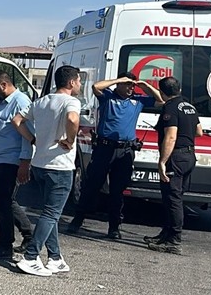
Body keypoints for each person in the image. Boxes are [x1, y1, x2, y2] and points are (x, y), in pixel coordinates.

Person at [68, 72, 162, 239]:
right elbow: (96, 86)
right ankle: (78, 220)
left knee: (117, 191)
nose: (130, 88)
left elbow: (161, 100)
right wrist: (119, 80)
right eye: (127, 85)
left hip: (125, 150)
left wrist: (144, 86)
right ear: (119, 85)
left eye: (132, 85)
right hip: (104, 148)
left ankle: (114, 227)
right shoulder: (108, 96)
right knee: (91, 186)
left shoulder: (138, 100)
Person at [12, 65, 82, 277]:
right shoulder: (72, 101)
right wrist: (70, 140)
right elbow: (72, 119)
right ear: (71, 82)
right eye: (79, 81)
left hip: (40, 163)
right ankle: (31, 256)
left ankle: (55, 257)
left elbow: (17, 120)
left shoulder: (41, 102)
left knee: (49, 213)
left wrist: (33, 139)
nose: (79, 85)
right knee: (52, 213)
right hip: (60, 165)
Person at [144, 76, 202, 254]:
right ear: (180, 90)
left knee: (173, 199)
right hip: (189, 155)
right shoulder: (189, 106)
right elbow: (199, 131)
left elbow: (171, 136)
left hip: (175, 157)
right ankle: (166, 234)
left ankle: (174, 240)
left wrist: (162, 161)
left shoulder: (170, 108)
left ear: (162, 92)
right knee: (173, 197)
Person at [0, 70, 35, 260]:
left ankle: (5, 245)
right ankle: (28, 235)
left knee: (3, 202)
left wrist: (24, 162)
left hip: (11, 160)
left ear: (3, 85)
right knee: (5, 201)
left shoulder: (20, 102)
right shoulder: (2, 103)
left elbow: (28, 136)